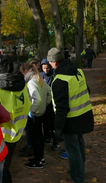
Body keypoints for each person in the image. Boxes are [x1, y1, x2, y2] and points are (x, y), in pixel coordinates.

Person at [47, 48, 94, 183]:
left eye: (50, 62)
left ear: (55, 63)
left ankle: (77, 178)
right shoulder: (78, 72)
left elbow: (62, 109)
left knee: (73, 152)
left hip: (71, 121)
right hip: (84, 116)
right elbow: (87, 90)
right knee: (79, 144)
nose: (49, 65)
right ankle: (80, 171)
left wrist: (58, 129)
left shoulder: (59, 81)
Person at [0, 55, 31, 183]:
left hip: (1, 137)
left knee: (0, 171)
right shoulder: (22, 85)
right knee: (5, 168)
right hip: (17, 131)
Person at [20, 63, 51, 169]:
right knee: (39, 136)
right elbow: (49, 91)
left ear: (25, 71)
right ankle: (40, 158)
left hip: (35, 115)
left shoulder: (31, 82)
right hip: (41, 112)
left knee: (35, 138)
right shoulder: (39, 79)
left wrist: (32, 112)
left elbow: (37, 99)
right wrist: (45, 105)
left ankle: (38, 161)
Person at [40, 59, 58, 150]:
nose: (46, 70)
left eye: (47, 68)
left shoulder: (53, 76)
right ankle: (47, 137)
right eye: (44, 68)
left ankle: (55, 140)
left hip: (51, 103)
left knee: (53, 123)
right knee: (45, 122)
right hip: (44, 103)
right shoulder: (41, 75)